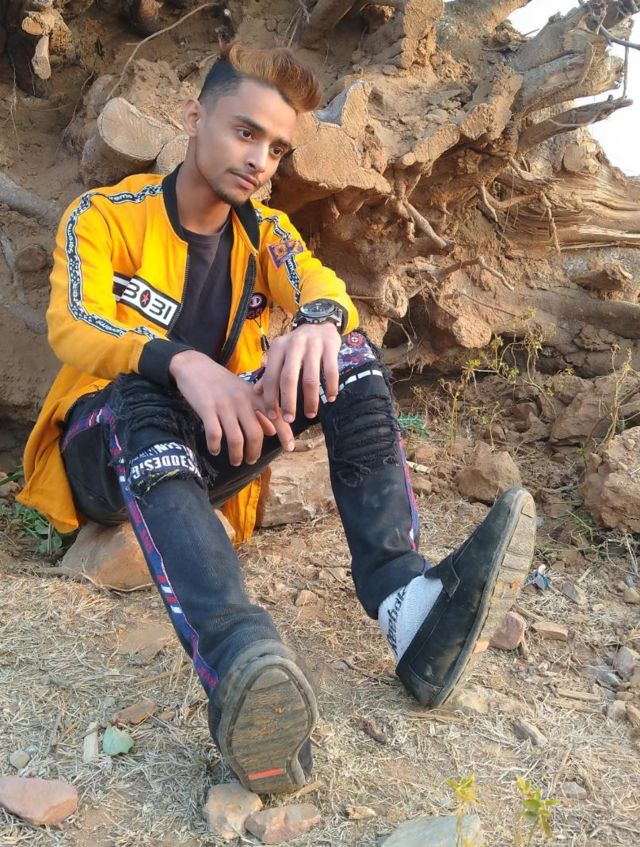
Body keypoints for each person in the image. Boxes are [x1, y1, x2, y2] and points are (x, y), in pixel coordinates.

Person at [18, 42, 536, 796]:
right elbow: (75, 323)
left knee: (347, 354)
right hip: (106, 449)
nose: (261, 160)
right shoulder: (105, 216)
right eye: (245, 132)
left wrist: (319, 325)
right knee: (141, 393)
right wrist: (181, 362)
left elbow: (325, 288)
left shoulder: (266, 233)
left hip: (211, 443)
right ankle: (240, 663)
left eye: (277, 148)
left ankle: (407, 603)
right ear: (194, 117)